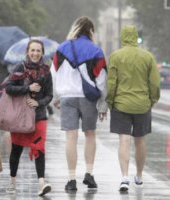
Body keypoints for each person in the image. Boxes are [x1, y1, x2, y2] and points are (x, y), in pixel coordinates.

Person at [51, 16, 108, 191]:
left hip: (67, 97)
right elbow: (102, 78)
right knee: (90, 135)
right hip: (88, 98)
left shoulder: (61, 49)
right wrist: (102, 102)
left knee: (71, 137)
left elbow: (53, 73)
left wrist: (56, 97)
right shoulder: (96, 50)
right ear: (91, 31)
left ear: (75, 28)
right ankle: (89, 174)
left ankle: (71, 179)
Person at [106, 25, 160, 192]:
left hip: (121, 104)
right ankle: (139, 176)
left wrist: (110, 101)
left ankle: (124, 177)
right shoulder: (148, 57)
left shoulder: (116, 56)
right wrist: (152, 100)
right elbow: (154, 83)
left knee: (124, 139)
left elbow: (111, 82)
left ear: (122, 37)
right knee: (140, 140)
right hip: (142, 105)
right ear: (136, 37)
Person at [4, 39, 53, 196]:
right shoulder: (20, 67)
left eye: (38, 50)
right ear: (27, 51)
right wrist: (27, 88)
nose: (35, 53)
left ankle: (41, 183)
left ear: (42, 53)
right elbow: (9, 88)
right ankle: (12, 181)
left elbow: (49, 95)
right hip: (20, 117)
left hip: (39, 116)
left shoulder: (46, 71)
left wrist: (38, 103)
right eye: (32, 50)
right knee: (16, 149)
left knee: (39, 148)